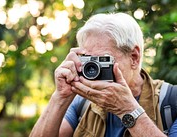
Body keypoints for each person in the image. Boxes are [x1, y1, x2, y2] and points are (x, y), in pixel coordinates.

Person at [29, 12, 175, 137]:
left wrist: (128, 110)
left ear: (134, 57)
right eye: (88, 61)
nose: (93, 69)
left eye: (103, 60)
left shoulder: (171, 100)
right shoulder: (82, 103)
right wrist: (60, 97)